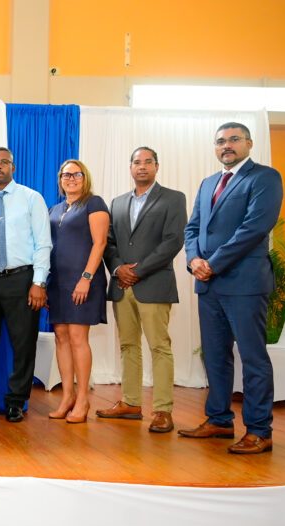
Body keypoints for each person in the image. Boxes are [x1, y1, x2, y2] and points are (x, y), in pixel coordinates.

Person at [180, 122, 283, 454]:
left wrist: (214, 263)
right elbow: (193, 227)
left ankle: (259, 430)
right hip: (208, 285)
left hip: (245, 283)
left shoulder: (264, 178)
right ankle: (219, 420)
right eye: (221, 141)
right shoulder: (209, 182)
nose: (227, 145)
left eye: (234, 139)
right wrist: (194, 260)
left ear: (249, 144)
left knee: (252, 358)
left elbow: (255, 228)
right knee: (215, 357)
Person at [97, 147, 186, 433]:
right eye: (137, 162)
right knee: (128, 345)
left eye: (148, 162)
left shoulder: (173, 198)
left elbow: (173, 242)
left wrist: (138, 270)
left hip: (154, 284)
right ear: (130, 167)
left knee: (159, 346)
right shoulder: (118, 202)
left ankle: (162, 410)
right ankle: (131, 403)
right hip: (122, 285)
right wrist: (118, 268)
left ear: (157, 167)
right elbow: (108, 243)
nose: (142, 166)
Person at [0, 147, 52, 423]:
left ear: (13, 167)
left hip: (22, 279)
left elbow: (43, 243)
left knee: (23, 343)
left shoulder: (31, 198)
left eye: (3, 162)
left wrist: (39, 281)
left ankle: (16, 401)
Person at [46, 159, 109, 424]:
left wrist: (86, 278)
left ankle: (83, 398)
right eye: (65, 174)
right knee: (61, 336)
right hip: (57, 280)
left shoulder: (94, 203)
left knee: (77, 336)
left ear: (85, 177)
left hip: (83, 279)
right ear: (60, 179)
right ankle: (67, 396)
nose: (70, 178)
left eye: (76, 174)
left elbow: (100, 243)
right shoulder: (56, 208)